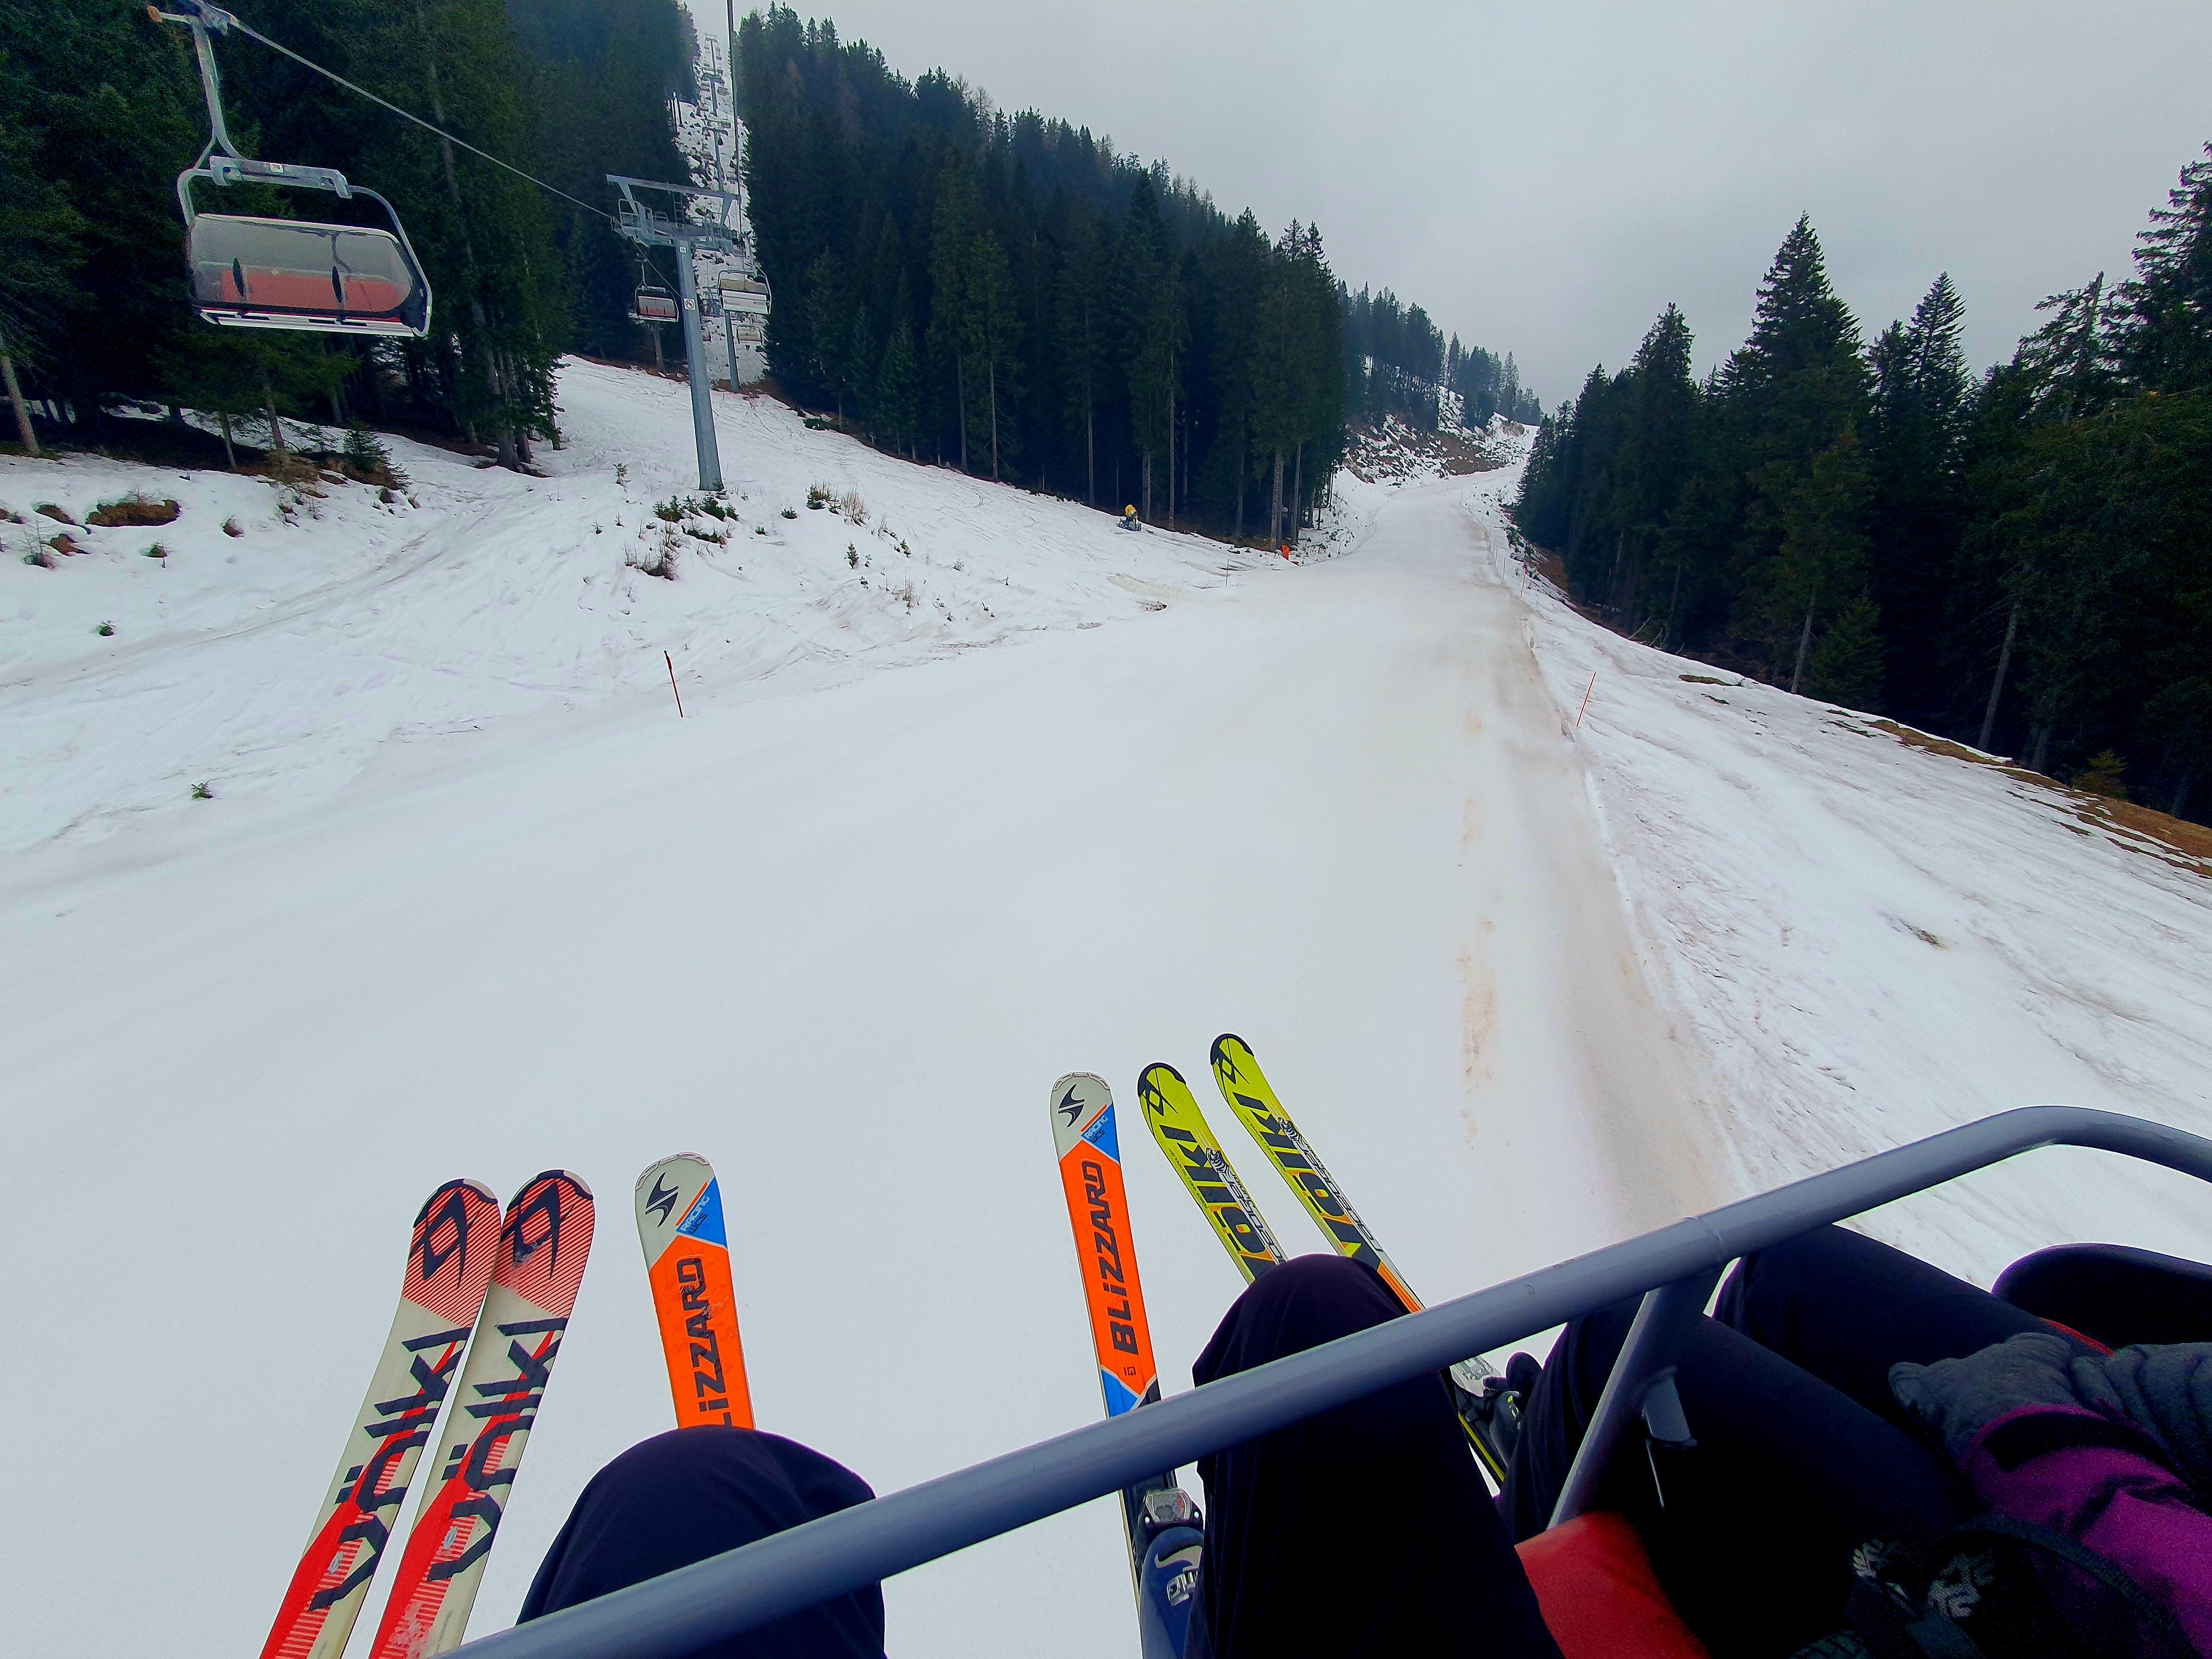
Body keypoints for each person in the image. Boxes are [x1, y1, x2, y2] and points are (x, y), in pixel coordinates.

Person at [519, 1230, 2212, 1658]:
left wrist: (2064, 1432)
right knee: (1332, 1325)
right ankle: (1501, 1537)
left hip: (2067, 1591)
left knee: (689, 1512)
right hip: (2039, 1584)